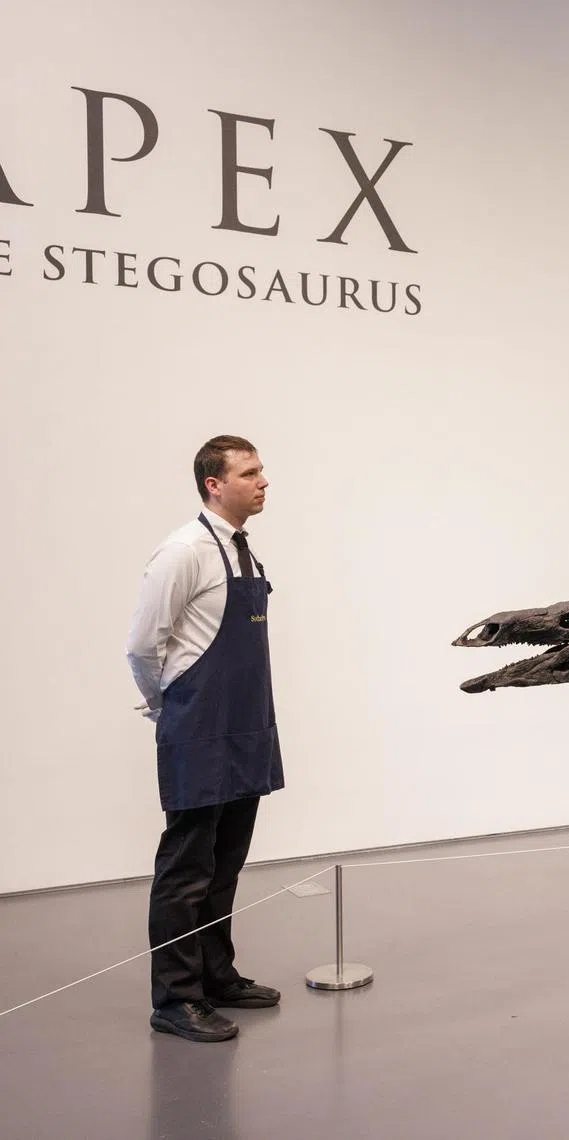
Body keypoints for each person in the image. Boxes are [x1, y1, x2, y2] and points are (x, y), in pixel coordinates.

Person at [126, 435, 284, 1043]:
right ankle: (175, 998)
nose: (263, 482)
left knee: (226, 861)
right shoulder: (183, 552)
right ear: (214, 485)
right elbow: (143, 646)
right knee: (187, 866)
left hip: (245, 723)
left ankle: (217, 976)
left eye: (261, 470)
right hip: (198, 726)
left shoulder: (245, 551)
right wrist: (173, 705)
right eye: (249, 473)